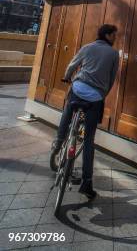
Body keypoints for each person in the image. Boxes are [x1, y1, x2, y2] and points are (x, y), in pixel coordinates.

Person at [50, 24, 119, 199]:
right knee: (89, 140)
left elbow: (72, 65)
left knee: (67, 114)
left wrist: (66, 77)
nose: (116, 38)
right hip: (95, 98)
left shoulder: (87, 47)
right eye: (114, 35)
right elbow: (111, 79)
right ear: (108, 35)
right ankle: (86, 183)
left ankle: (58, 143)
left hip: (78, 88)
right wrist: (102, 94)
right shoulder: (113, 54)